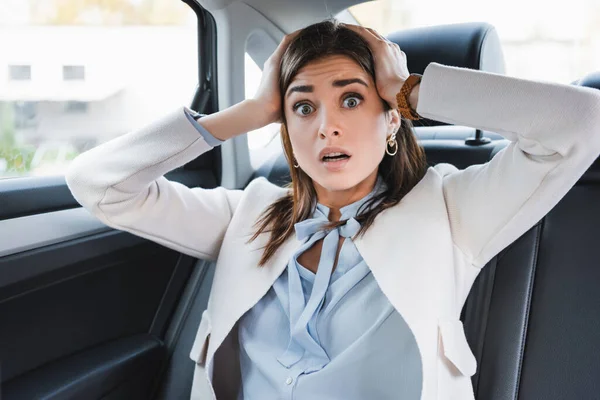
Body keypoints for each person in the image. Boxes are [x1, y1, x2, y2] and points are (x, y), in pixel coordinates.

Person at [65, 20, 600, 400]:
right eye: (302, 107)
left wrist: (408, 89)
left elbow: (583, 122)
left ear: (392, 120)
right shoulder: (245, 215)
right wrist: (251, 112)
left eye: (351, 99)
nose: (327, 126)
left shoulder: (451, 209)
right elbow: (98, 185)